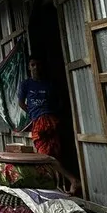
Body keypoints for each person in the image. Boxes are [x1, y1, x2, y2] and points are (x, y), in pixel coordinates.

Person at [17, 56, 81, 195]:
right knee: (50, 156)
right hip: (38, 121)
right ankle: (59, 186)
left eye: (38, 65)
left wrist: (51, 113)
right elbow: (21, 103)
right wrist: (33, 113)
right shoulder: (26, 84)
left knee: (47, 156)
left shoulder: (48, 84)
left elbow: (59, 101)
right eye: (33, 65)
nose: (36, 68)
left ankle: (71, 180)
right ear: (29, 67)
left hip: (50, 121)